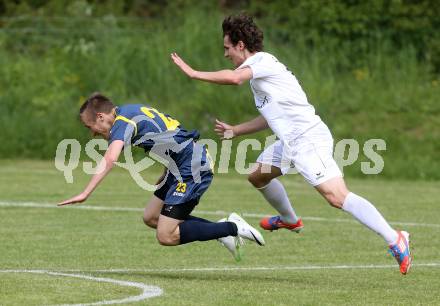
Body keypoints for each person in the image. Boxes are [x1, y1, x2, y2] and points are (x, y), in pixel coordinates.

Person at [170, 14, 412, 274]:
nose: (226, 54)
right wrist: (237, 130)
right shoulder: (260, 76)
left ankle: (395, 238)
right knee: (258, 176)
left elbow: (233, 78)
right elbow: (271, 116)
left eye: (227, 48)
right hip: (290, 141)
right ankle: (289, 220)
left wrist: (194, 73)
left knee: (337, 196)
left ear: (241, 45)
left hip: (307, 138)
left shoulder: (261, 61)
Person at [58, 93, 265, 261]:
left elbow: (111, 157)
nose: (92, 133)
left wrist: (86, 192)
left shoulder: (122, 122)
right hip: (179, 166)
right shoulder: (129, 112)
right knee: (151, 217)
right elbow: (169, 132)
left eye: (89, 126)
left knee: (166, 235)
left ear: (101, 117)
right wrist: (167, 169)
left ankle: (233, 228)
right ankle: (222, 230)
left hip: (192, 168)